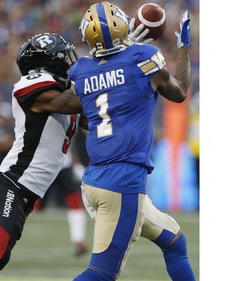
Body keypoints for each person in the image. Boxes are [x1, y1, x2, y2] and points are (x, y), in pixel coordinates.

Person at [68, 2, 196, 280]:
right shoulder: (143, 56)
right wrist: (185, 46)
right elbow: (179, 92)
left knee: (175, 242)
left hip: (95, 179)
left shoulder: (80, 71)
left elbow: (90, 119)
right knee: (101, 274)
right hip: (122, 180)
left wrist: (121, 55)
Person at [0, 32, 84, 272]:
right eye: (63, 57)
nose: (69, 62)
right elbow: (72, 102)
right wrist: (101, 80)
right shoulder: (33, 84)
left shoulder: (63, 93)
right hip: (13, 182)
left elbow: (95, 116)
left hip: (27, 191)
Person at [33, 144, 89, 256]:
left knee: (75, 201)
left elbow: (71, 144)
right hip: (44, 164)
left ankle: (79, 241)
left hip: (64, 166)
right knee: (34, 205)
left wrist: (76, 163)